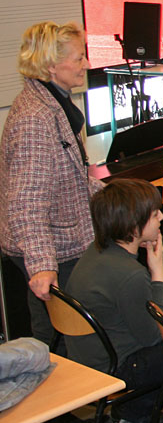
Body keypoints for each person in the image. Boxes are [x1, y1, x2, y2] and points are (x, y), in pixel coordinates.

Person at [0, 21, 104, 346]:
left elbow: (67, 177)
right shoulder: (35, 119)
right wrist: (43, 266)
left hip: (61, 241)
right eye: (78, 58)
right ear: (50, 65)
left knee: (59, 332)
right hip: (51, 248)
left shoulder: (54, 101)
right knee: (59, 335)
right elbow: (26, 202)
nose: (85, 64)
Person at [64, 179, 163, 423]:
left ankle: (141, 411)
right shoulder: (130, 275)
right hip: (114, 368)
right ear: (134, 226)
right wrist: (157, 273)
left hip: (88, 358)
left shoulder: (98, 252)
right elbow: (153, 336)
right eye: (154, 213)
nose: (161, 217)